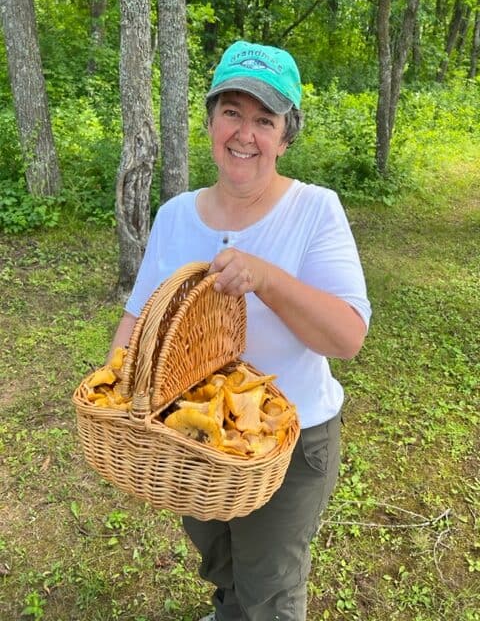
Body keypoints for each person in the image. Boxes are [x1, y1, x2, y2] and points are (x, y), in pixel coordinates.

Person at [109, 40, 371, 621]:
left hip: (287, 441)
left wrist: (267, 279)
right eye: (231, 112)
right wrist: (122, 394)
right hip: (192, 436)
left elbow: (347, 338)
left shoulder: (315, 210)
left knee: (270, 586)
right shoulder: (175, 214)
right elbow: (137, 317)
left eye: (263, 119)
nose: (244, 134)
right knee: (219, 555)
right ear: (210, 123)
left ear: (285, 135)